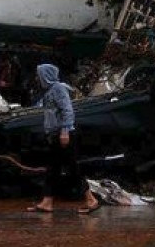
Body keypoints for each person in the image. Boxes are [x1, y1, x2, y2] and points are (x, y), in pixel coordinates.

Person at [26, 63, 100, 214]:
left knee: (72, 168)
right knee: (53, 170)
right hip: (54, 135)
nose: (37, 78)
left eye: (39, 75)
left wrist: (65, 131)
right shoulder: (48, 92)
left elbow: (67, 110)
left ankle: (91, 199)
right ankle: (47, 202)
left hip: (63, 135)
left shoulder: (58, 88)